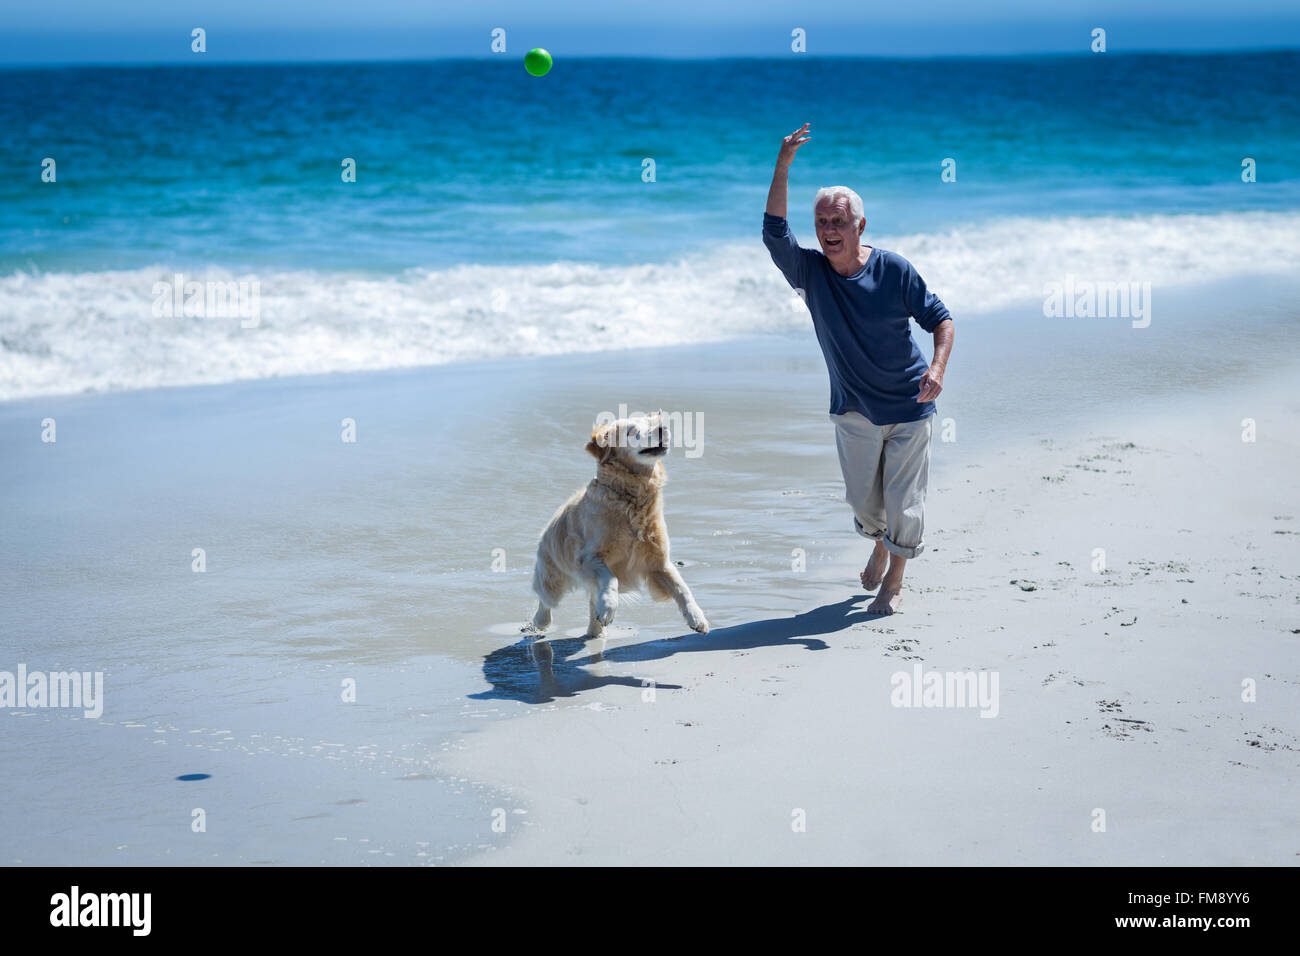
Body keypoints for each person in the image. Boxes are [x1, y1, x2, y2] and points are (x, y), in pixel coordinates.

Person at [763, 122, 954, 615]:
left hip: (912, 405)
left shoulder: (894, 270)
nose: (828, 230)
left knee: (905, 501)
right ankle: (878, 540)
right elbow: (773, 233)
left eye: (838, 222)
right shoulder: (809, 273)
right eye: (822, 221)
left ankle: (894, 579)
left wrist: (936, 370)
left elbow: (942, 320)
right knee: (863, 503)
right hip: (853, 409)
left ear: (859, 227)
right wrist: (783, 165)